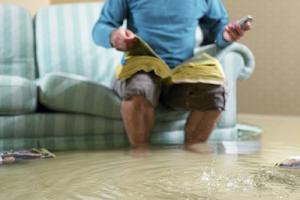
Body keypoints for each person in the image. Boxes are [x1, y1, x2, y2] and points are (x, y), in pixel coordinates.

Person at [92, 0, 251, 152]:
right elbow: (101, 27)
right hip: (141, 66)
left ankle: (194, 149)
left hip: (182, 72)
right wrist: (113, 36)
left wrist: (226, 37)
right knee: (139, 88)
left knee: (214, 92)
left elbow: (218, 30)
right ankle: (140, 152)